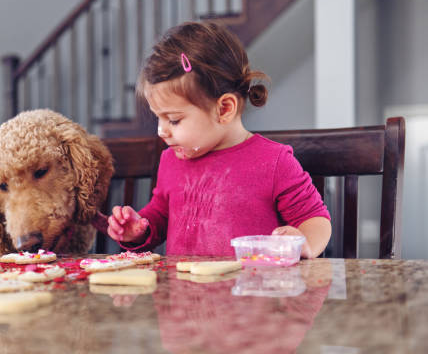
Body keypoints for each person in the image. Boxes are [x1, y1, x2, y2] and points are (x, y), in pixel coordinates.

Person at [103, 21, 331, 258]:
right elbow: (160, 214)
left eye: (173, 120)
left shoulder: (274, 161)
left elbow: (315, 219)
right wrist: (139, 229)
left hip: (249, 290)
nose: (161, 131)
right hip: (183, 291)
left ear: (224, 109)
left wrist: (303, 242)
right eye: (158, 118)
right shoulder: (170, 160)